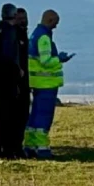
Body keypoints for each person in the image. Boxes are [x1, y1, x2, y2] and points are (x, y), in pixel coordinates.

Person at [25, 9, 73, 159]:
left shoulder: (35, 34)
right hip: (46, 83)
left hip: (36, 82)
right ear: (50, 20)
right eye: (55, 23)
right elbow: (45, 61)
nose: (56, 27)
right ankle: (42, 148)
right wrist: (60, 59)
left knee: (34, 116)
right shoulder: (44, 38)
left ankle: (30, 145)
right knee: (44, 116)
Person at [0, 3, 23, 158]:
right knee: (9, 113)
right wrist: (17, 70)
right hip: (8, 73)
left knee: (0, 112)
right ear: (14, 16)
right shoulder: (10, 32)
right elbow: (9, 55)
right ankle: (7, 150)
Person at [15, 7, 31, 151]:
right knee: (17, 114)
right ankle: (14, 146)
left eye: (24, 18)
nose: (23, 21)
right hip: (17, 79)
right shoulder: (14, 35)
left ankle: (18, 144)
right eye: (20, 19)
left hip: (25, 79)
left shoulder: (23, 34)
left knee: (24, 113)